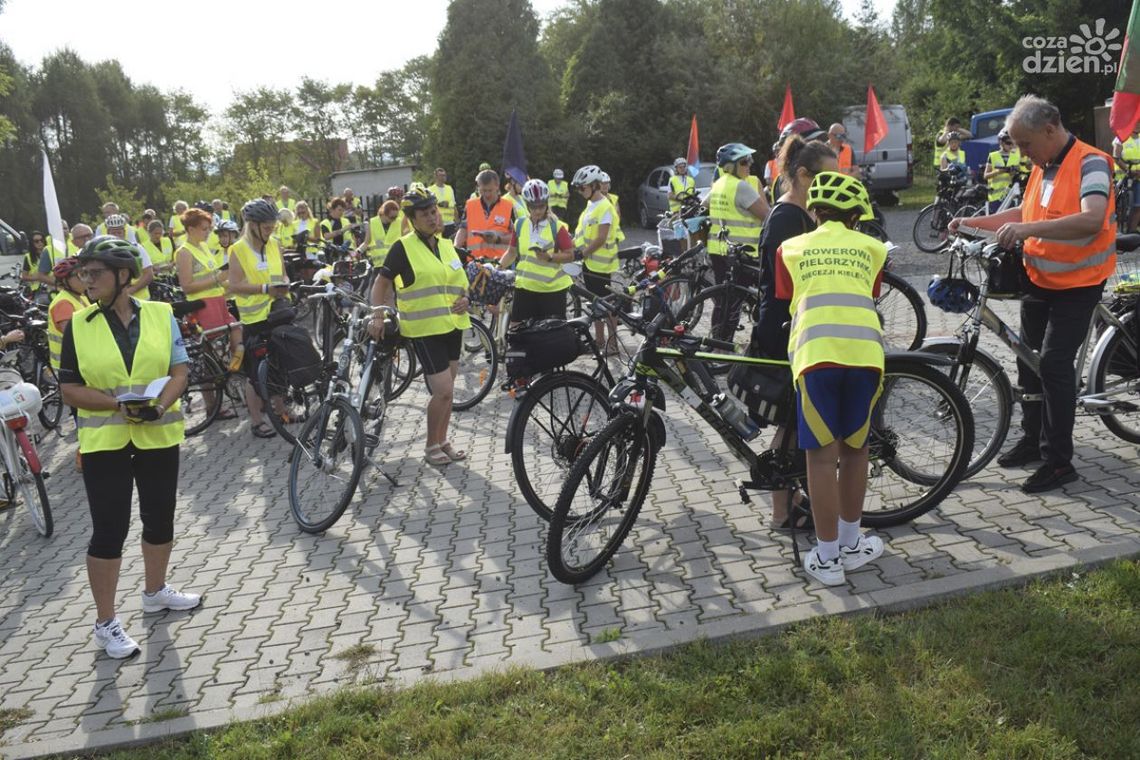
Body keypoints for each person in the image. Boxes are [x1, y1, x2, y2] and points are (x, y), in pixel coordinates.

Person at [949, 94, 1116, 492]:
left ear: (1050, 129)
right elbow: (1025, 215)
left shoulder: (1091, 162)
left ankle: (1060, 461)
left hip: (1079, 283)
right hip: (1039, 279)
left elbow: (1092, 218)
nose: (1022, 153)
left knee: (1055, 365)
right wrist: (972, 223)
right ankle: (1032, 439)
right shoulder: (1044, 166)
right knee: (1028, 362)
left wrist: (1027, 231)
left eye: (1026, 144)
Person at [59, 235, 198, 659]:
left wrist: (160, 404)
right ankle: (105, 624)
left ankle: (154, 593)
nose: (86, 281)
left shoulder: (161, 314)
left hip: (157, 435)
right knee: (109, 530)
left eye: (94, 273)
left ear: (123, 276)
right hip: (105, 443)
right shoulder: (78, 328)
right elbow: (68, 389)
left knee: (160, 519)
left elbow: (180, 369)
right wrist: (116, 404)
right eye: (83, 274)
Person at [774, 171, 886, 586]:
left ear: (813, 210)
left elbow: (785, 297)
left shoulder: (790, 247)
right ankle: (852, 544)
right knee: (856, 450)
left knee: (821, 458)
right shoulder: (873, 248)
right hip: (866, 357)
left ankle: (826, 558)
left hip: (816, 358)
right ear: (857, 215)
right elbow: (870, 293)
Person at [751, 135, 838, 530]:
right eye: (827, 178)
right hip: (782, 331)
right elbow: (790, 284)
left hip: (792, 326)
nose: (834, 187)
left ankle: (793, 500)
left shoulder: (802, 212)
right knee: (791, 426)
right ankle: (782, 514)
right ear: (803, 175)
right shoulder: (787, 218)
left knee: (796, 424)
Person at [369, 191, 470, 466]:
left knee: (447, 391)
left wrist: (466, 298)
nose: (432, 217)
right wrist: (377, 315)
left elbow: (461, 282)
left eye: (434, 211)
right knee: (443, 390)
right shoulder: (403, 248)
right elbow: (381, 283)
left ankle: (443, 440)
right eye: (424, 214)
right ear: (412, 219)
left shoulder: (446, 245)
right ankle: (430, 447)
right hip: (424, 329)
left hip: (452, 325)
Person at [227, 199, 290, 438]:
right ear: (251, 225)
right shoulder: (238, 249)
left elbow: (282, 273)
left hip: (278, 312)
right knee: (255, 374)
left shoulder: (275, 244)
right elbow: (234, 284)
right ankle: (256, 421)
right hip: (254, 319)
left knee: (280, 365)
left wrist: (284, 284)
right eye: (265, 227)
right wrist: (265, 289)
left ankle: (282, 411)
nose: (270, 230)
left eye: (272, 226)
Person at [705, 142, 771, 340]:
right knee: (742, 301)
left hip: (718, 250)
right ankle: (725, 346)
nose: (749, 165)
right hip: (741, 253)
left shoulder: (718, 184)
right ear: (730, 166)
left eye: (749, 161)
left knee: (723, 301)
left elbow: (704, 205)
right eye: (744, 162)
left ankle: (717, 343)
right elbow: (768, 216)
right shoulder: (741, 187)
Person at [499, 179, 575, 327]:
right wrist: (498, 268)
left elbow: (570, 255)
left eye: (541, 206)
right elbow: (511, 252)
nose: (538, 210)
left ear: (547, 203)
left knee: (550, 338)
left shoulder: (557, 227)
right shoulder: (520, 224)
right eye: (533, 207)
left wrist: (550, 257)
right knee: (516, 333)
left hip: (552, 291)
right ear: (527, 205)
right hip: (525, 289)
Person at [176, 209, 239, 367]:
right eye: (204, 229)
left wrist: (234, 285)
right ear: (191, 230)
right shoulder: (184, 252)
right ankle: (218, 385)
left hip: (219, 301)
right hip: (203, 306)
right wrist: (218, 278)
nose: (208, 233)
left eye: (209, 229)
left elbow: (214, 276)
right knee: (213, 357)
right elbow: (187, 286)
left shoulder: (203, 247)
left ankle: (234, 376)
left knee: (237, 334)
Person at [571, 164, 619, 353]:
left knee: (607, 306)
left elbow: (601, 237)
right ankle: (599, 342)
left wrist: (582, 253)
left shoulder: (605, 206)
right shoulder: (590, 205)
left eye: (582, 187)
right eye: (579, 188)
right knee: (595, 305)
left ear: (594, 185)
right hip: (589, 264)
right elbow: (582, 234)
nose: (580, 191)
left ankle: (613, 344)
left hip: (601, 265)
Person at [456, 169, 515, 261]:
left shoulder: (508, 206)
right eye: (483, 190)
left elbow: (516, 237)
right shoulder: (470, 205)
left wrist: (498, 239)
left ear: (497, 186)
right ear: (478, 187)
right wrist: (455, 248)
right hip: (474, 262)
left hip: (500, 263)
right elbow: (463, 230)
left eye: (490, 190)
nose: (487, 194)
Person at [104, 214, 154, 300]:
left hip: (141, 298)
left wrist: (132, 290)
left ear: (124, 232)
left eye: (119, 232)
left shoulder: (136, 248)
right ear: (108, 233)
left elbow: (148, 274)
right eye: (113, 232)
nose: (116, 236)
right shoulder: (103, 251)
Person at [984, 128, 1025, 214]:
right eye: (1008, 143)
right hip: (995, 196)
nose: (1011, 146)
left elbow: (1020, 174)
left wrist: (1015, 171)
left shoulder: (1016, 157)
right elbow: (985, 175)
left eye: (1013, 143)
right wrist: (998, 171)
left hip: (1011, 195)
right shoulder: (993, 156)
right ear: (1001, 142)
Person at [1111, 124, 1140, 232]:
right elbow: (1116, 157)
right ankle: (1116, 230)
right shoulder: (1121, 138)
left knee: (1138, 205)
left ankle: (1131, 232)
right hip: (1122, 176)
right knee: (1115, 203)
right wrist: (1128, 170)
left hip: (1138, 177)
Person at [361, 199, 403, 268]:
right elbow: (366, 242)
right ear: (384, 214)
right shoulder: (372, 222)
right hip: (378, 266)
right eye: (392, 217)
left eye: (396, 217)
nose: (394, 219)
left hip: (396, 265)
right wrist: (357, 252)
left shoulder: (399, 222)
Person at [429, 168, 458, 235]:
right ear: (436, 177)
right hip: (438, 224)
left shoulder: (449, 188)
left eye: (444, 175)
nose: (444, 177)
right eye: (441, 175)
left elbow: (454, 206)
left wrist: (457, 222)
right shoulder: (430, 190)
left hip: (450, 223)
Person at [600, 172, 625, 245]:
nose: (605, 186)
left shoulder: (614, 198)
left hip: (614, 235)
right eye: (603, 183)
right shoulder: (595, 200)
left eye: (607, 183)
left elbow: (618, 215)